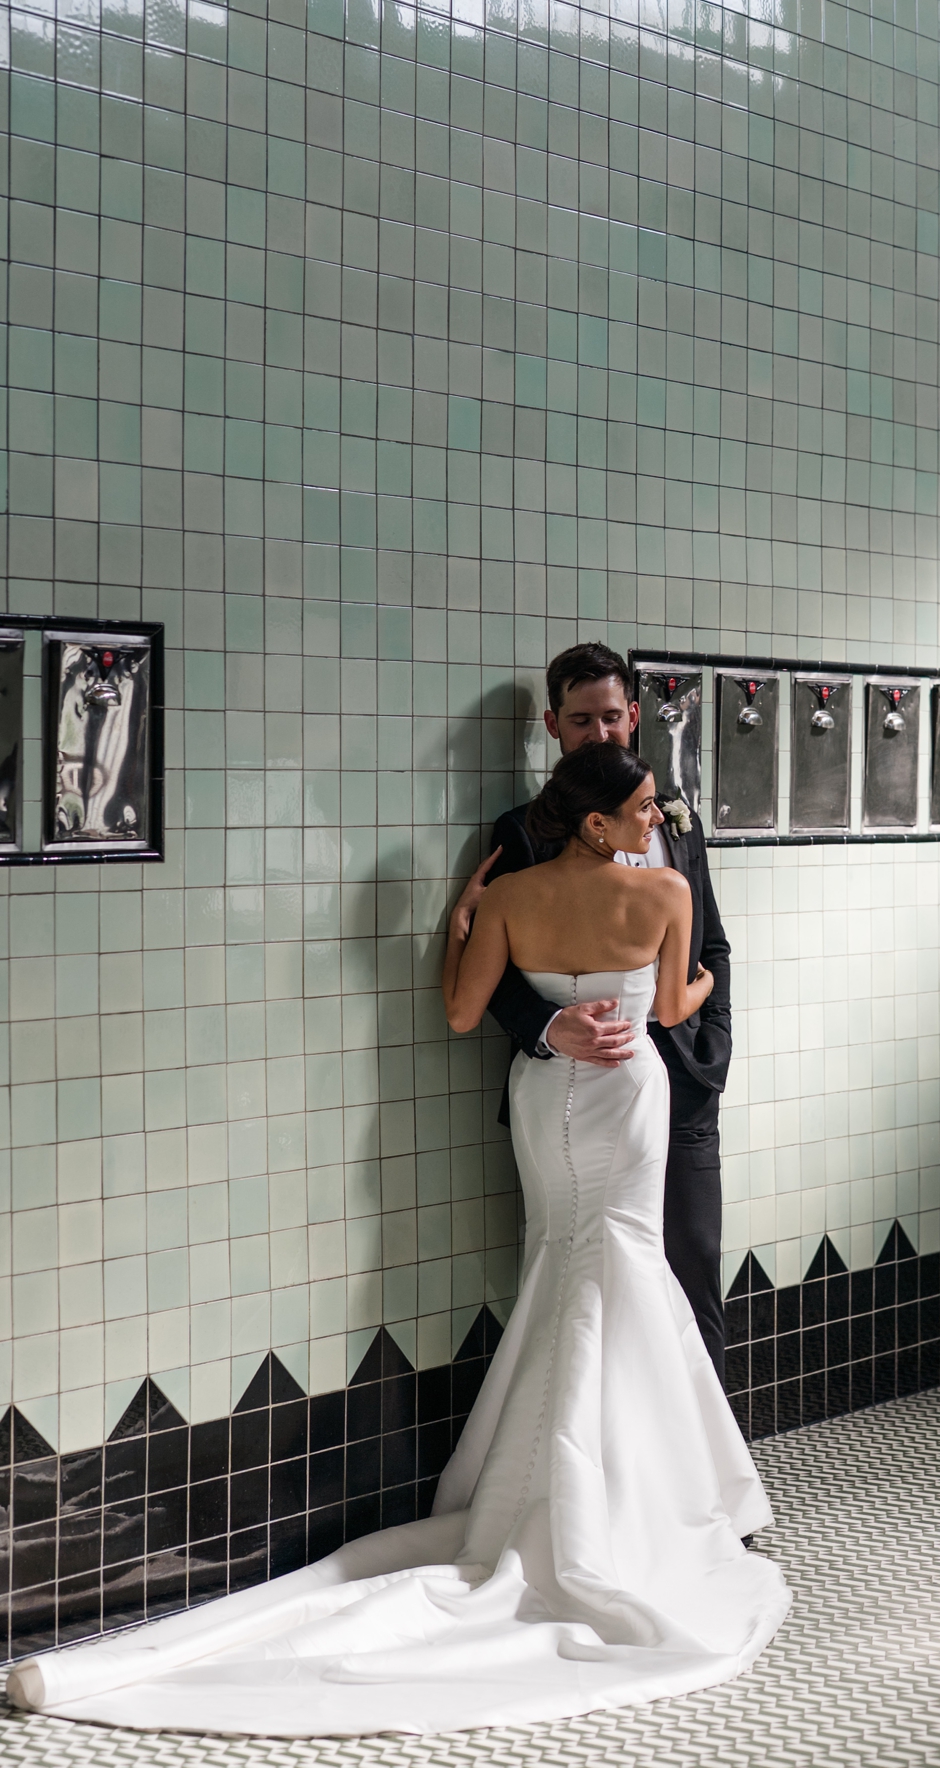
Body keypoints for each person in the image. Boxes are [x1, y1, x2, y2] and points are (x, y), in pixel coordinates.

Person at [5, 744, 788, 1737]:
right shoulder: (667, 890)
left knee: (564, 1259)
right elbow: (677, 1003)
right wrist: (693, 978)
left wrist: (467, 935)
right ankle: (625, 1497)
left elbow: (464, 1010)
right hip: (629, 1097)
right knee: (622, 1264)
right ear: (598, 822)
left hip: (550, 1100)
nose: (655, 819)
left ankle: (552, 1482)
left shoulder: (511, 893)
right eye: (640, 807)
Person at [486, 642, 733, 1381]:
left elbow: (713, 945)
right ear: (553, 726)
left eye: (614, 718)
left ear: (634, 716)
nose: (602, 734)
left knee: (691, 1259)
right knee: (581, 1264)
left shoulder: (675, 819)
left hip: (677, 1077)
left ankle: (702, 1454)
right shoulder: (523, 832)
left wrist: (711, 1042)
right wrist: (544, 1026)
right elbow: (490, 968)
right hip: (570, 1088)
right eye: (583, 720)